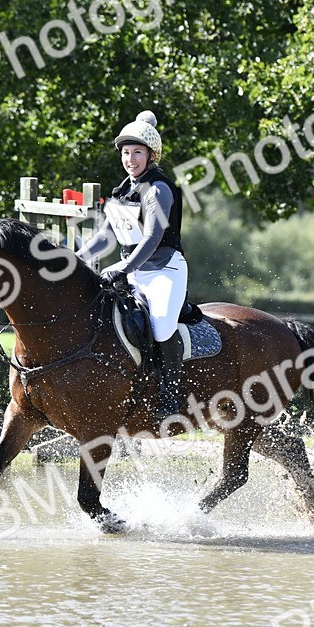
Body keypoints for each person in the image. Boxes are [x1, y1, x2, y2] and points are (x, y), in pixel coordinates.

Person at [76, 110, 187, 422]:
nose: (130, 159)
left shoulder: (159, 189)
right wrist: (76, 259)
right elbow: (105, 236)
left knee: (162, 325)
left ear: (151, 156)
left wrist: (122, 268)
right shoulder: (121, 191)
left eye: (137, 152)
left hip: (165, 269)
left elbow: (153, 237)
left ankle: (170, 393)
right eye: (126, 153)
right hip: (133, 270)